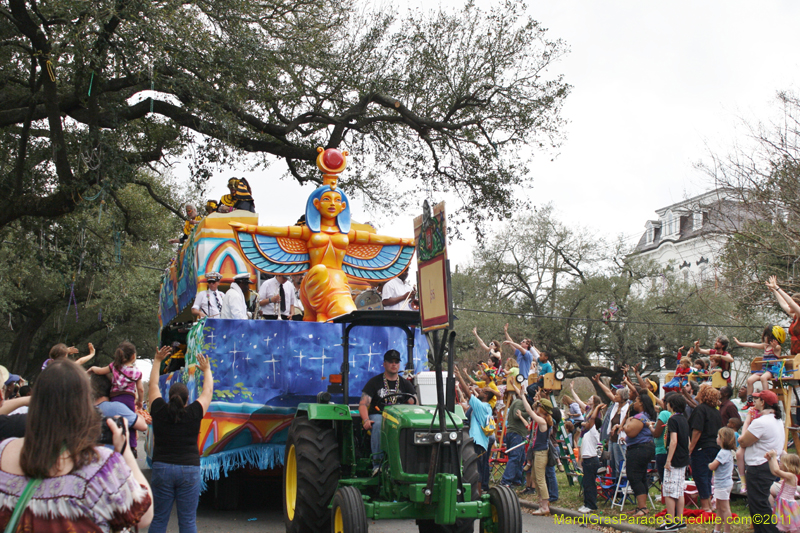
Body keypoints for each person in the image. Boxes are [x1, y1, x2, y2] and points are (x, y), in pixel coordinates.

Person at [230, 175, 415, 322]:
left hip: (338, 282)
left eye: (337, 200)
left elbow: (376, 240)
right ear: (317, 204)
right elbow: (279, 232)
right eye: (327, 199)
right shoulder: (308, 231)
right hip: (314, 280)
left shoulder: (348, 234)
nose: (333, 204)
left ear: (343, 206)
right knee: (320, 271)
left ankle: (330, 314)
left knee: (343, 293)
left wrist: (405, 241)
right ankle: (326, 311)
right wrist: (249, 230)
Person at [0, 359, 153, 531]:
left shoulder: (3, 451)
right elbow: (143, 516)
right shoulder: (101, 465)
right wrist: (124, 451)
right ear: (84, 402)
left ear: (35, 399)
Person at [148, 346, 213, 533]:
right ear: (187, 399)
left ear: (168, 397)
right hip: (189, 470)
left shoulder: (159, 409)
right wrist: (206, 370)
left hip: (162, 468)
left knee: (159, 519)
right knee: (188, 521)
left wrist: (157, 361)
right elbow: (208, 391)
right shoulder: (194, 412)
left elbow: (152, 386)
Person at [359, 350, 417, 472]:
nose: (394, 364)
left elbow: (414, 404)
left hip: (399, 418)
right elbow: (363, 404)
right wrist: (366, 420)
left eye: (396, 362)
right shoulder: (374, 382)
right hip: (379, 415)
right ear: (384, 364)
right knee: (380, 423)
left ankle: (409, 464)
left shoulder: (406, 384)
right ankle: (378, 465)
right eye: (391, 362)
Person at [739, 389, 786, 533]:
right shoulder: (777, 420)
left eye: (758, 399)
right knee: (761, 502)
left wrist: (747, 422)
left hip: (759, 466)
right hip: (770, 464)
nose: (755, 401)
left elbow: (743, 441)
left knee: (758, 505)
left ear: (763, 402)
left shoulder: (761, 422)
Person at [88, 341, 145, 454]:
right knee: (130, 422)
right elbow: (141, 389)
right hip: (129, 398)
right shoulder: (137, 372)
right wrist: (139, 401)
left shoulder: (114, 367)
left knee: (115, 421)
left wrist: (92, 369)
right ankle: (132, 444)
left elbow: (100, 371)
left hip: (115, 397)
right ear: (133, 356)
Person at [454, 366, 496, 496]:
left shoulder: (480, 406)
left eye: (483, 391)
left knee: (475, 468)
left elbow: (468, 394)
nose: (480, 391)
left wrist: (460, 376)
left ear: (487, 395)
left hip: (477, 441)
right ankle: (480, 491)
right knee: (481, 468)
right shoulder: (487, 407)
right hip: (483, 441)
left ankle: (476, 494)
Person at [517, 389, 553, 515]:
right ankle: (542, 501)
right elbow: (532, 408)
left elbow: (529, 410)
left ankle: (544, 505)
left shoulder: (542, 421)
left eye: (539, 406)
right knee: (534, 477)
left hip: (541, 453)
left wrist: (522, 396)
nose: (536, 407)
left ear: (542, 409)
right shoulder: (541, 420)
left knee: (540, 478)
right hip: (537, 452)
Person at [658, 393, 690, 531]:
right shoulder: (684, 419)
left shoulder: (672, 420)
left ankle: (670, 521)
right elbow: (687, 441)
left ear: (671, 405)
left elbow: (673, 441)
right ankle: (680, 519)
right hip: (683, 458)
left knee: (669, 490)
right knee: (679, 490)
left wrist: (668, 460)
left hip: (674, 459)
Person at [688, 383, 722, 511]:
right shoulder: (716, 411)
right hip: (714, 447)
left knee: (700, 475)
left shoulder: (701, 409)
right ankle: (708, 503)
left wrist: (691, 447)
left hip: (702, 447)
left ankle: (705, 506)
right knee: (707, 476)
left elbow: (697, 430)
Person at [623, 392, 657, 517]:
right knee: (640, 475)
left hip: (639, 449)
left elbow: (630, 432)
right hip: (644, 448)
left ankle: (643, 507)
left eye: (636, 401)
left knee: (634, 476)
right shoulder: (646, 416)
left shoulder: (640, 417)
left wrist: (627, 421)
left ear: (641, 403)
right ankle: (640, 506)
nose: (634, 403)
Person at [737, 325, 787, 406]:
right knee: (750, 380)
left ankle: (766, 398)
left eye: (767, 336)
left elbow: (778, 348)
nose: (765, 337)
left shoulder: (776, 347)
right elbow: (752, 344)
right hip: (763, 370)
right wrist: (740, 343)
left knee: (763, 378)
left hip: (771, 370)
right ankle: (749, 400)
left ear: (772, 337)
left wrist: (776, 346)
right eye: (765, 335)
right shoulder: (765, 346)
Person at [592, 374, 629, 476]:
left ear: (622, 397)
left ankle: (619, 487)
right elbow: (608, 392)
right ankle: (612, 485)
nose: (615, 396)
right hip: (612, 439)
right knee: (610, 463)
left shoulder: (627, 408)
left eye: (617, 394)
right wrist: (598, 382)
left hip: (620, 441)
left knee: (619, 464)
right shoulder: (616, 405)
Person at [499, 380, 530, 488]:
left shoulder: (517, 401)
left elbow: (520, 393)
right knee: (515, 457)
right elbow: (517, 415)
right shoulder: (520, 403)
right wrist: (529, 412)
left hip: (515, 433)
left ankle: (517, 480)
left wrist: (513, 385)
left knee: (520, 458)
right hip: (516, 433)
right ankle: (506, 481)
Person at [577, 401, 605, 514]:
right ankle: (586, 503)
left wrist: (597, 408)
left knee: (590, 484)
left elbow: (593, 419)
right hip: (587, 460)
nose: (587, 423)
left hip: (591, 460)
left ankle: (591, 505)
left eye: (589, 422)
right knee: (586, 483)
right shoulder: (587, 433)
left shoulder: (594, 432)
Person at [709, 427, 737, 533]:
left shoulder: (723, 453)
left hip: (722, 484)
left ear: (723, 439)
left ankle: (726, 530)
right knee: (720, 508)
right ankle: (717, 529)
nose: (716, 438)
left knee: (725, 508)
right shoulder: (727, 452)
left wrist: (708, 465)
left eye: (718, 436)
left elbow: (713, 466)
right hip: (724, 483)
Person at [766, 450, 800, 533]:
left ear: (788, 465)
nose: (779, 464)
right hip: (783, 503)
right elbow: (774, 472)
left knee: (791, 527)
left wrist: (774, 457)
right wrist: (769, 460)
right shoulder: (788, 475)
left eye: (781, 462)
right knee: (787, 526)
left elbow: (776, 471)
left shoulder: (791, 476)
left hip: (788, 505)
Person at [767, 276, 800, 356]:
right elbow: (784, 305)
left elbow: (790, 302)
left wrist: (777, 287)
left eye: (790, 305)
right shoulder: (795, 317)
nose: (788, 306)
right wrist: (774, 290)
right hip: (795, 352)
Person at [653, 393, 675, 486]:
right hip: (672, 452)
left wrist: (650, 427)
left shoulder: (664, 413)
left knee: (665, 481)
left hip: (662, 449)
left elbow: (657, 433)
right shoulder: (676, 415)